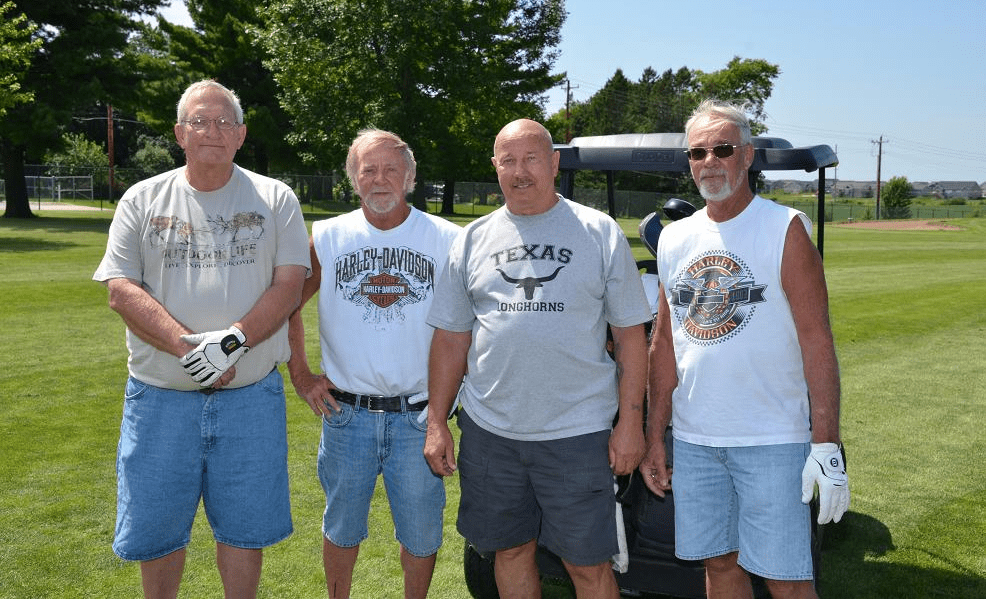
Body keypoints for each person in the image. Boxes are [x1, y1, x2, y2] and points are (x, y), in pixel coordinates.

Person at [93, 80, 310, 599]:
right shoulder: (141, 199)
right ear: (179, 134)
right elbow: (121, 290)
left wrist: (229, 344)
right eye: (198, 121)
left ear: (240, 136)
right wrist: (189, 348)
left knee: (243, 531)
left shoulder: (275, 198)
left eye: (223, 123)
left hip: (249, 400)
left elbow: (289, 285)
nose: (211, 131)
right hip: (160, 400)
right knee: (159, 532)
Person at [424, 118, 652, 599]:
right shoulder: (471, 240)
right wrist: (436, 422)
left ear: (553, 163)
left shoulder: (599, 232)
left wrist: (631, 424)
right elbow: (450, 338)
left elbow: (631, 338)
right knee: (509, 552)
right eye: (508, 160)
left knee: (588, 565)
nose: (520, 171)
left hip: (577, 433)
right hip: (490, 433)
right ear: (495, 167)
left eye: (531, 158)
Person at [639, 99, 850, 599]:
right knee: (718, 565)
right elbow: (664, 343)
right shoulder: (673, 240)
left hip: (772, 439)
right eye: (697, 153)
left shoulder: (785, 229)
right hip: (694, 440)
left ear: (747, 155)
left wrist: (827, 444)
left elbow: (817, 339)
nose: (708, 162)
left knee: (788, 581)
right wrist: (655, 435)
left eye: (722, 149)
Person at [286, 129, 460, 599]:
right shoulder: (326, 236)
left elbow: (466, 328)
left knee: (421, 535)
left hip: (420, 417)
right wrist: (300, 375)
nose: (379, 179)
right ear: (354, 179)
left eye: (390, 169)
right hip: (346, 416)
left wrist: (443, 414)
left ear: (410, 177)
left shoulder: (448, 239)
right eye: (368, 169)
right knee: (341, 529)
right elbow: (285, 305)